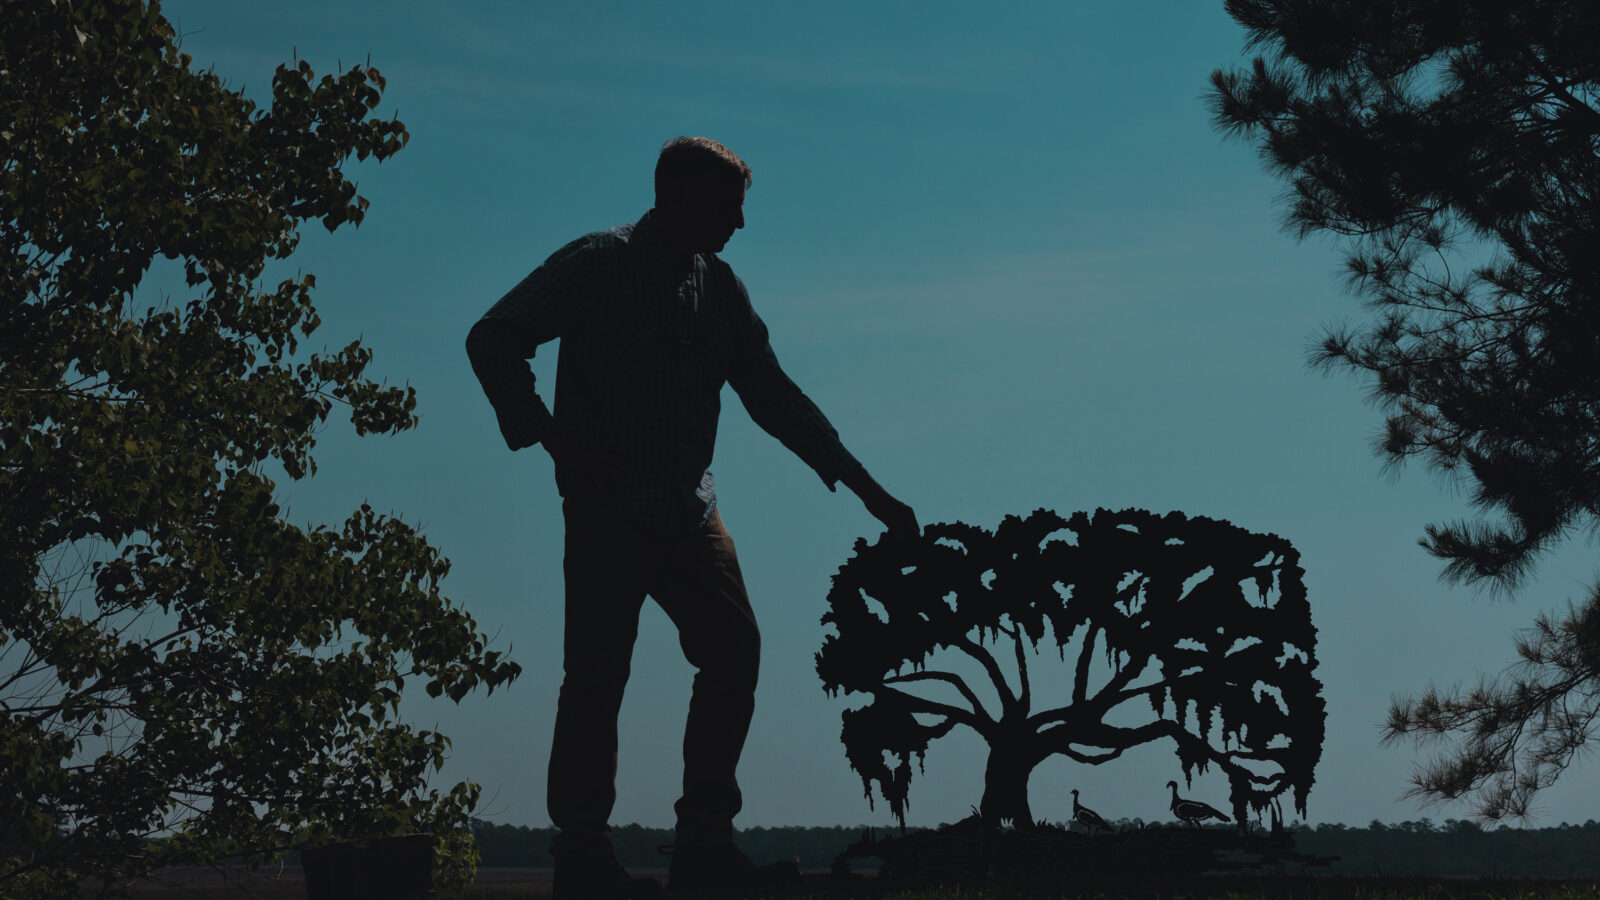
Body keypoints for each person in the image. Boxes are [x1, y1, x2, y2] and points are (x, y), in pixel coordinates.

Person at [466, 136, 918, 899]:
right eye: (727, 206)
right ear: (675, 196)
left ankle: (704, 844)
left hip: (690, 511)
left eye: (742, 208)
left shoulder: (723, 289)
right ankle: (583, 855)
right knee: (598, 675)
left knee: (734, 652)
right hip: (608, 506)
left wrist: (865, 487)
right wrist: (544, 433)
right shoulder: (596, 263)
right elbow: (495, 335)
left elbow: (773, 394)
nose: (739, 223)